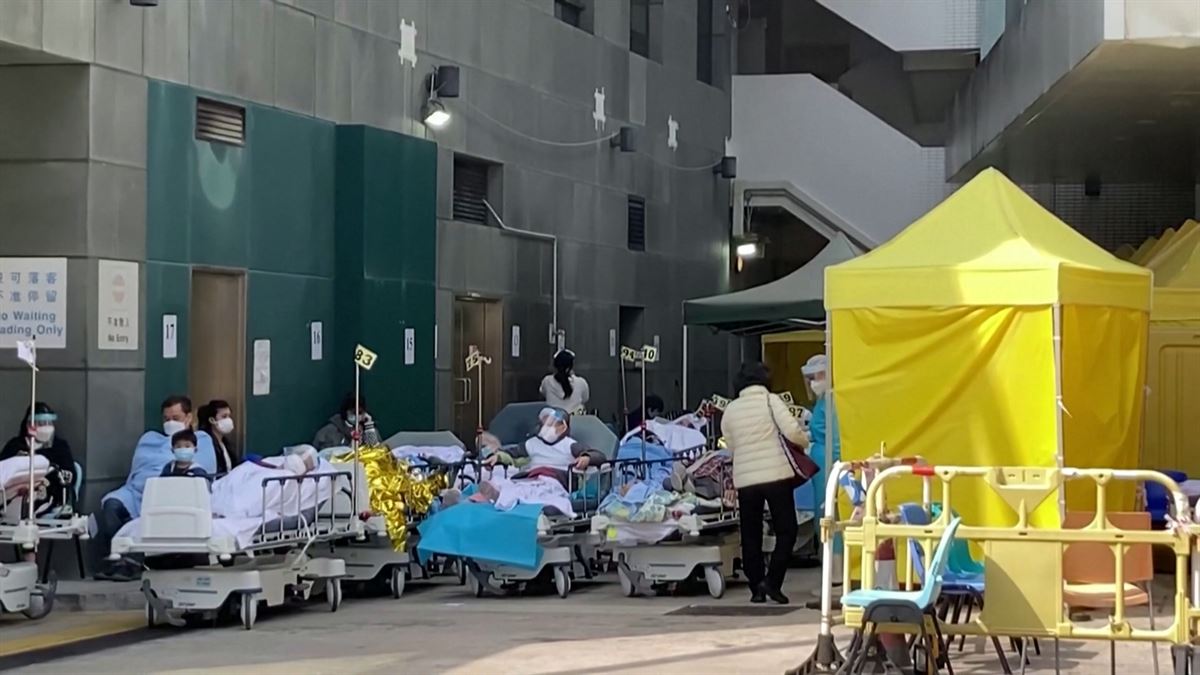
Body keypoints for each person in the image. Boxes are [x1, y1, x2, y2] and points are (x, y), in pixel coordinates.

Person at [93, 395, 217, 581]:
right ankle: (119, 561)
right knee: (112, 503)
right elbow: (137, 469)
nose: (170, 423)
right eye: (166, 419)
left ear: (189, 418)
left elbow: (202, 469)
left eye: (176, 418)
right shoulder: (149, 439)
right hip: (135, 492)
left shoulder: (200, 440)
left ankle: (134, 563)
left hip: (168, 493)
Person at [721, 361, 809, 604]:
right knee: (787, 530)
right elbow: (792, 431)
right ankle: (773, 582)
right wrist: (804, 442)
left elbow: (730, 445)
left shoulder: (731, 409)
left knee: (750, 534)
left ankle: (756, 588)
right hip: (775, 475)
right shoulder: (771, 401)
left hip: (746, 479)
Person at [483, 408, 606, 487]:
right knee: (507, 484)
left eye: (552, 423)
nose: (547, 427)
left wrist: (587, 458)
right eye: (545, 423)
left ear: (563, 427)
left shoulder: (569, 445)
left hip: (559, 482)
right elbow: (512, 452)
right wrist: (497, 456)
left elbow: (599, 456)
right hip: (532, 479)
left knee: (543, 485)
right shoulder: (532, 443)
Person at [0, 403, 76, 516]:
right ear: (29, 425)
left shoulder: (59, 447)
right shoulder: (15, 445)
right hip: (12, 496)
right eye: (41, 423)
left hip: (48, 495)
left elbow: (69, 474)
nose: (47, 427)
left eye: (49, 423)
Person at [798, 355, 839, 515]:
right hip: (821, 463)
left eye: (817, 376)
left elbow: (835, 437)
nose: (813, 382)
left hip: (828, 463)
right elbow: (819, 429)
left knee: (829, 510)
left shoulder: (832, 400)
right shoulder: (823, 400)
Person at [313, 393, 381, 450]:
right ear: (346, 411)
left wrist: (369, 427)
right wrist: (349, 449)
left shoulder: (368, 429)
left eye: (360, 412)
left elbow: (375, 450)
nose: (357, 416)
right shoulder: (329, 432)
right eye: (354, 412)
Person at [198, 400, 238, 474]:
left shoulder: (226, 443)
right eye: (224, 416)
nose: (228, 420)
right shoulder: (206, 443)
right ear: (212, 420)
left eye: (229, 416)